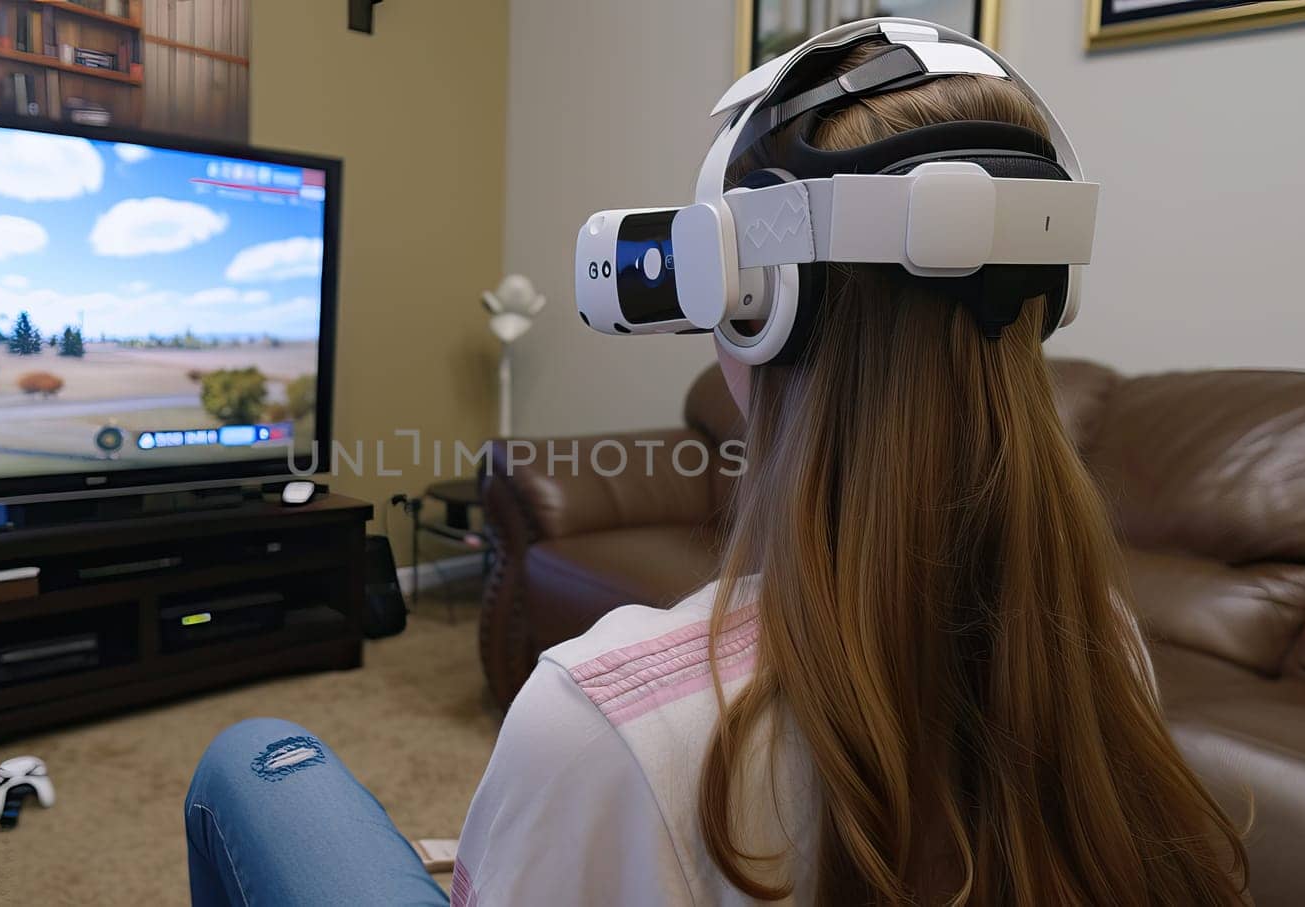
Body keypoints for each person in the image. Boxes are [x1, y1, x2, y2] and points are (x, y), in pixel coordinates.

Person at [184, 32, 1251, 907]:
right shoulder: (1100, 642)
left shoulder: (604, 723)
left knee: (252, 761)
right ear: (1045, 295)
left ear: (745, 301)